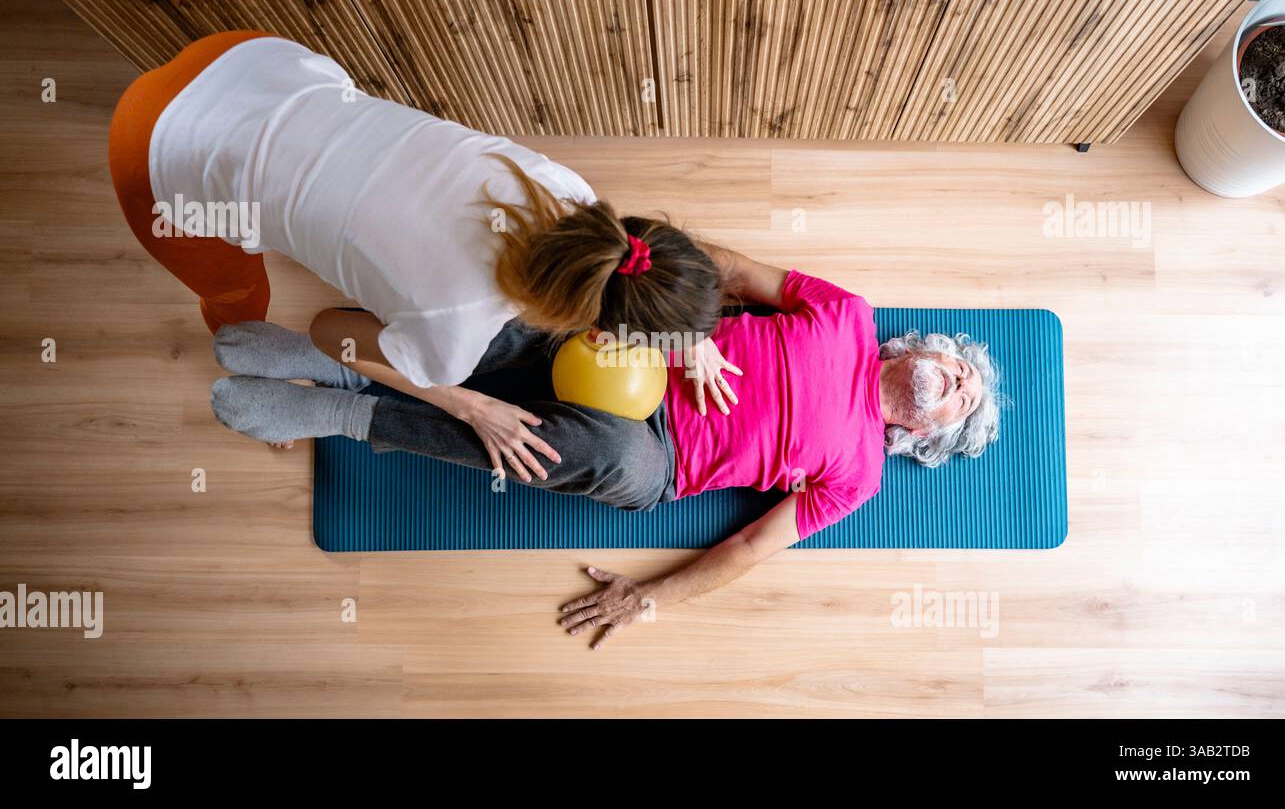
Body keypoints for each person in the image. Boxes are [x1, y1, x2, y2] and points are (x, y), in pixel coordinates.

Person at [209, 250, 1003, 649]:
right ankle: (330, 358)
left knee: (560, 451)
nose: (958, 379)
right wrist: (690, 334)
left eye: (965, 398)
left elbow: (756, 542)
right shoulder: (847, 314)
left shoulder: (860, 472)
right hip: (650, 349)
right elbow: (719, 265)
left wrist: (650, 598)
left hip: (657, 453)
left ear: (929, 435)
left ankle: (341, 412)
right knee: (521, 335)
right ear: (925, 348)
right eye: (962, 365)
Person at [108, 31, 740, 478]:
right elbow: (331, 330)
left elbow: (634, 261)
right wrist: (464, 401)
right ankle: (257, 348)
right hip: (160, 151)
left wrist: (681, 321)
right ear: (597, 331)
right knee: (235, 293)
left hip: (254, 61)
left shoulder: (566, 188)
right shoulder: (452, 339)